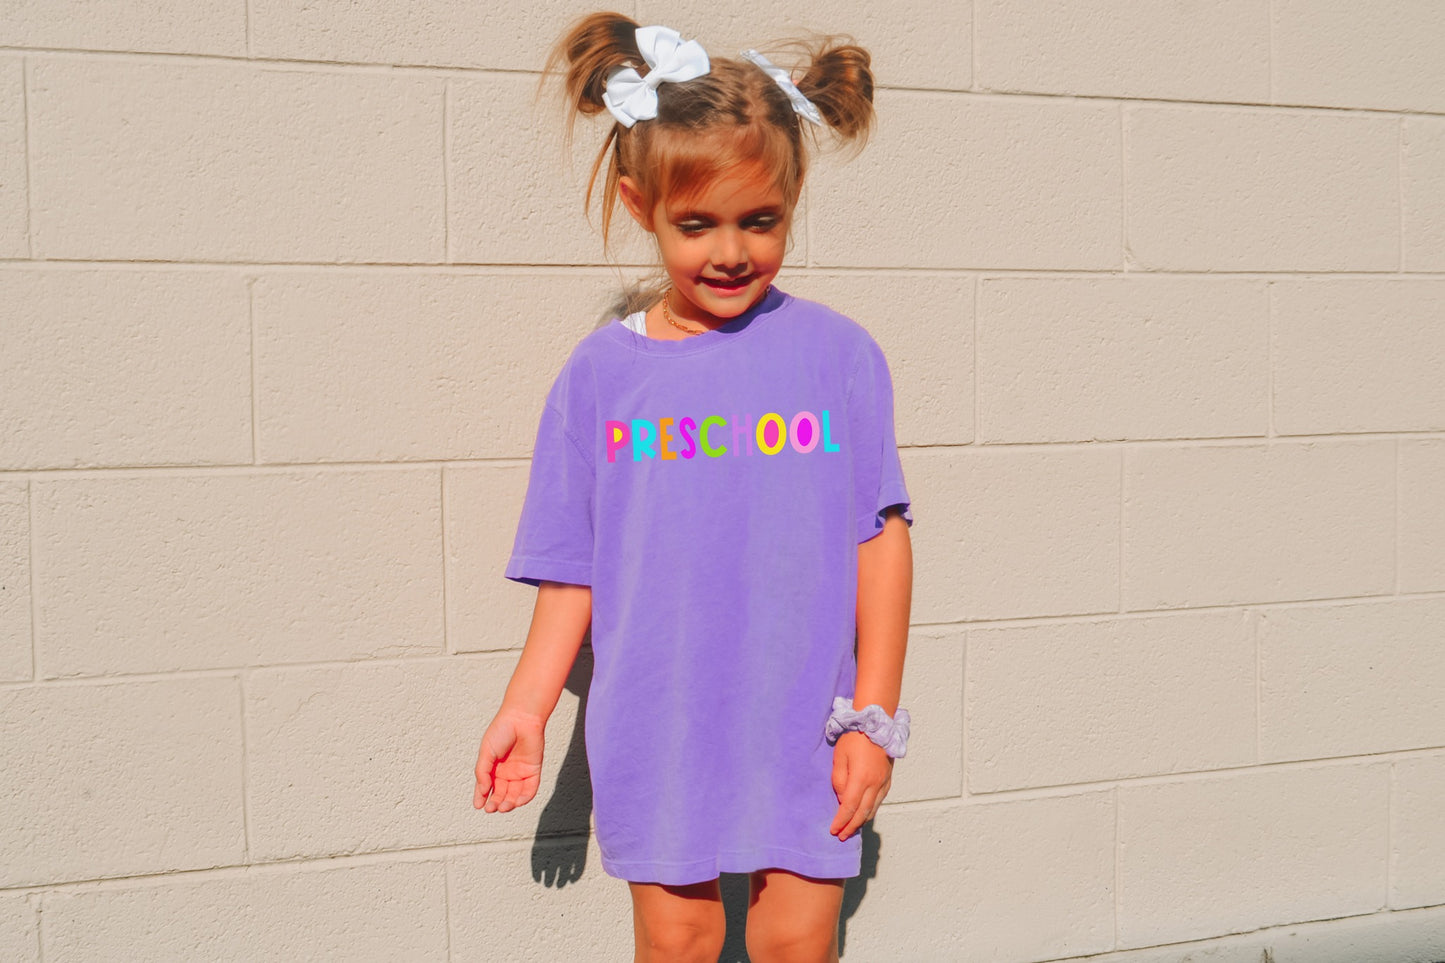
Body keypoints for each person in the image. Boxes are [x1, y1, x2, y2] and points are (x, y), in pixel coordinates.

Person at [473, 12, 914, 962]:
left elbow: (878, 540)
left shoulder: (838, 357)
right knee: (678, 941)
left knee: (797, 942)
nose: (730, 251)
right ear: (640, 206)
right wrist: (526, 706)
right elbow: (571, 568)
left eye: (759, 220)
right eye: (696, 223)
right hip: (659, 721)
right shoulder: (600, 377)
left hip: (805, 720)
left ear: (792, 201)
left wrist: (873, 719)